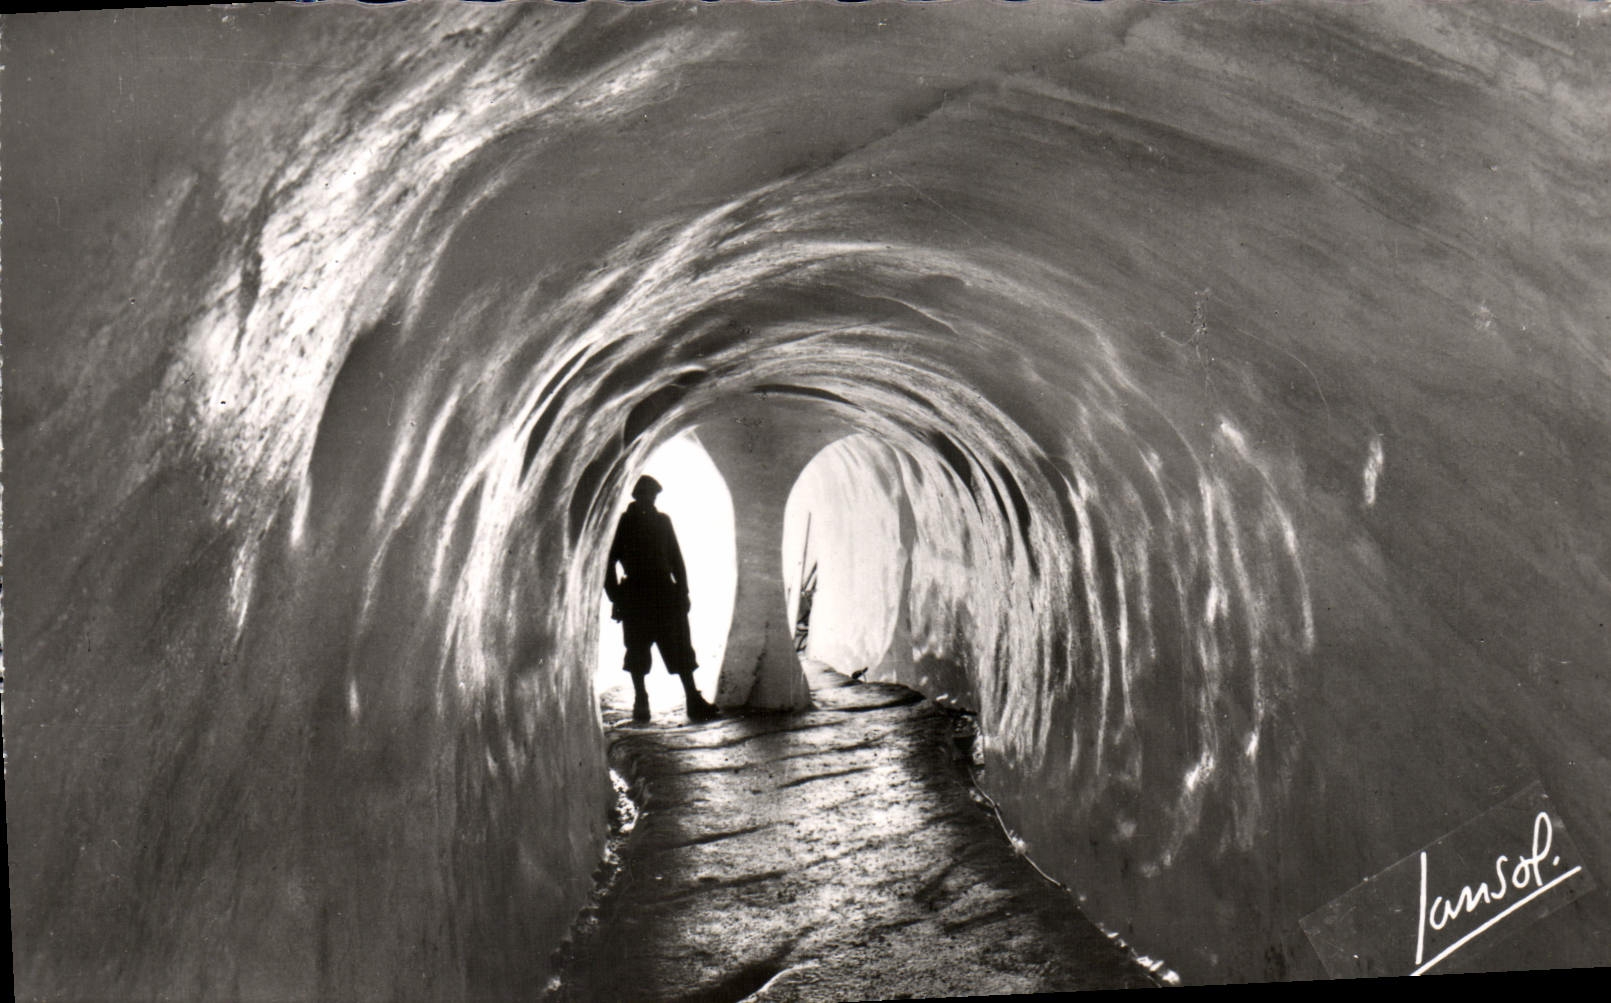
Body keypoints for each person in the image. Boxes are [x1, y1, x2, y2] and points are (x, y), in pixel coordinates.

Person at [604, 475, 721, 723]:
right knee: (636, 651)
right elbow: (609, 562)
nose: (650, 499)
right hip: (636, 594)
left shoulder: (663, 522)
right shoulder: (623, 524)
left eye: (653, 495)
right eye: (645, 495)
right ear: (636, 496)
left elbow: (676, 559)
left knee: (680, 648)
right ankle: (641, 700)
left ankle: (693, 699)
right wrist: (617, 597)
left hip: (666, 594)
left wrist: (683, 591)